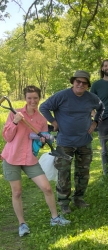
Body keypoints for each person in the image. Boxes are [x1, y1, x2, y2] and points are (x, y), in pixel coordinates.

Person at [1, 86, 71, 237]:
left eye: (35, 98)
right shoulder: (15, 113)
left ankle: (55, 218)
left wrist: (43, 140)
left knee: (46, 188)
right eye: (29, 98)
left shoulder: (41, 120)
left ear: (40, 98)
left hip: (29, 158)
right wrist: (15, 122)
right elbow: (7, 137)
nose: (32, 101)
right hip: (12, 157)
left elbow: (40, 142)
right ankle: (22, 224)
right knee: (17, 192)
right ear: (25, 99)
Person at [40, 70, 105, 214]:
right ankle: (63, 202)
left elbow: (101, 108)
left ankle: (79, 198)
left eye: (84, 82)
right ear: (73, 82)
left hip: (84, 141)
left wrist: (95, 123)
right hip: (65, 142)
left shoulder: (92, 98)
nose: (80, 84)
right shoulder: (61, 96)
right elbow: (43, 107)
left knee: (83, 172)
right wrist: (53, 122)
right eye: (78, 81)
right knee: (63, 172)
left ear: (88, 85)